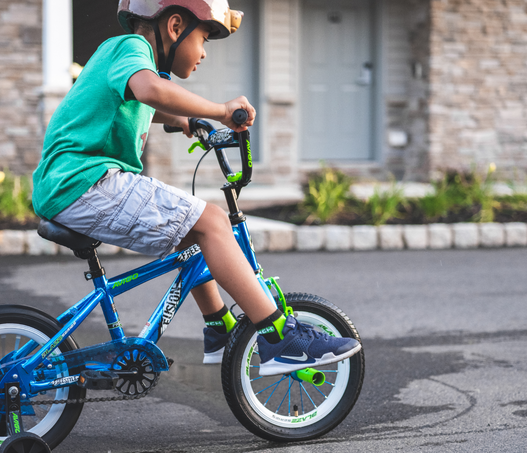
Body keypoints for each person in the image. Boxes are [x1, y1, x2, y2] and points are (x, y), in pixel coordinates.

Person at [32, 0, 361, 376]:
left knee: (193, 228)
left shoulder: (133, 63)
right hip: (84, 184)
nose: (204, 53)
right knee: (213, 222)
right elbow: (148, 90)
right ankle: (280, 338)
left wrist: (187, 120)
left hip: (74, 185)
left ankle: (219, 327)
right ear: (175, 27)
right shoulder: (131, 50)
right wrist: (219, 111)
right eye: (204, 38)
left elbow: (142, 101)